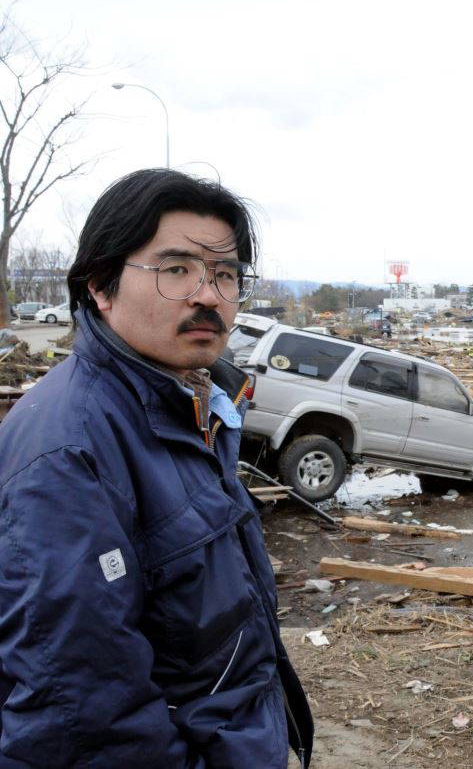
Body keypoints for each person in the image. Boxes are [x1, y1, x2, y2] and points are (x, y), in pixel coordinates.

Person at [0, 169, 313, 767]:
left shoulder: (197, 405)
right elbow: (80, 717)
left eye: (224, 275)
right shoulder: (71, 451)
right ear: (100, 284)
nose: (208, 295)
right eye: (176, 269)